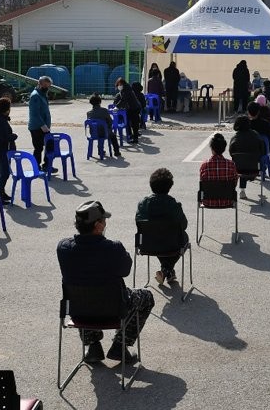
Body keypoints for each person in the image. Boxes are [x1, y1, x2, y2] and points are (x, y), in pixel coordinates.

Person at [57, 200, 154, 364]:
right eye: (103, 220)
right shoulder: (112, 248)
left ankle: (93, 345)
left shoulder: (63, 248)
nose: (105, 222)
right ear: (98, 225)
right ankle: (120, 345)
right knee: (146, 297)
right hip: (114, 309)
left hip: (79, 310)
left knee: (83, 293)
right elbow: (125, 270)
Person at [135, 168, 189, 286]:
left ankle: (166, 271)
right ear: (169, 187)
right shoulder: (173, 204)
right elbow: (183, 225)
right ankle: (167, 270)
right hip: (171, 244)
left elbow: (138, 223)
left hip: (147, 244)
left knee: (158, 235)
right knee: (182, 237)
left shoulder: (143, 204)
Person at [229, 115, 267, 199]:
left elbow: (231, 153)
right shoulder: (255, 135)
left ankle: (242, 190)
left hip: (238, 168)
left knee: (242, 162)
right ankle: (243, 190)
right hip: (254, 168)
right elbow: (263, 151)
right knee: (248, 161)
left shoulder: (234, 138)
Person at [0, 98, 18, 203]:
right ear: (5, 109)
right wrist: (14, 136)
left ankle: (0, 192)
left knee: (2, 172)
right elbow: (4, 137)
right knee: (5, 173)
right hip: (2, 151)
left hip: (0, 150)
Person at [27, 75, 54, 171]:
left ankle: (47, 164)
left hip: (43, 126)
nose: (47, 88)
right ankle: (37, 166)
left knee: (49, 145)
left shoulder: (42, 94)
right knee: (39, 148)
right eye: (45, 86)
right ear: (40, 84)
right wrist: (43, 125)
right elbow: (35, 113)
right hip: (37, 127)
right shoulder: (35, 96)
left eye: (49, 86)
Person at [114, 78, 141, 144]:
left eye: (120, 84)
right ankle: (130, 135)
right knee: (127, 122)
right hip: (129, 108)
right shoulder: (124, 89)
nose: (119, 86)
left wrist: (117, 106)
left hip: (134, 107)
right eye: (118, 85)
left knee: (134, 123)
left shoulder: (127, 89)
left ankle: (135, 138)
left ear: (123, 84)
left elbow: (123, 99)